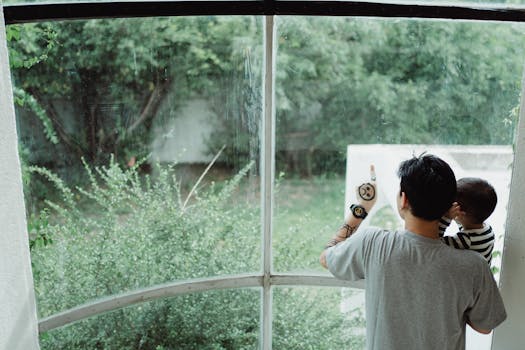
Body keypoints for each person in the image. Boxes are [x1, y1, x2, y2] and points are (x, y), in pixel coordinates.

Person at [320, 154, 506, 350]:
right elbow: (485, 327)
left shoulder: (372, 243)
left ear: (404, 199)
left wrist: (362, 207)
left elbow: (326, 258)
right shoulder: (475, 264)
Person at [438, 177, 497, 265]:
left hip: (468, 277)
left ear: (461, 213)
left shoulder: (464, 240)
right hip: (482, 275)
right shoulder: (487, 229)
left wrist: (446, 218)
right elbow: (464, 223)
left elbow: (435, 242)